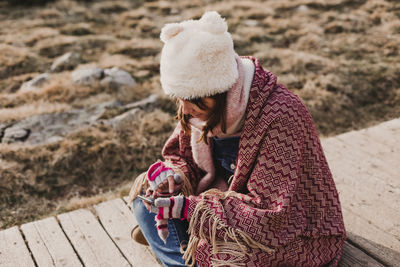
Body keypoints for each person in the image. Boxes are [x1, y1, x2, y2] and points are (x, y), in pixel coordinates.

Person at [128, 11, 346, 267]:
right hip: (218, 209)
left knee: (242, 257)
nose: (185, 109)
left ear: (221, 90)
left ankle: (175, 248)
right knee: (145, 198)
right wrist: (174, 178)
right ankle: (183, 248)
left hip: (289, 230)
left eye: (193, 99)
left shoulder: (281, 115)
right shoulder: (198, 106)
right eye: (179, 97)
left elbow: (273, 217)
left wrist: (187, 209)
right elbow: (180, 157)